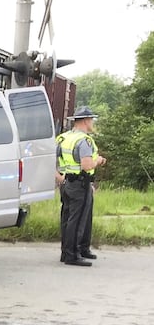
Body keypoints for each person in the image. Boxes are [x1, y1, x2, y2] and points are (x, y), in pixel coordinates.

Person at [56, 106, 107, 266]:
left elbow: (51, 161)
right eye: (91, 120)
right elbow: (87, 165)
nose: (92, 123)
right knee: (77, 220)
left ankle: (71, 251)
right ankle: (72, 255)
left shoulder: (63, 138)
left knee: (68, 218)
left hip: (67, 183)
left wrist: (60, 178)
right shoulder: (84, 141)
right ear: (85, 120)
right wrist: (98, 160)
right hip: (79, 184)